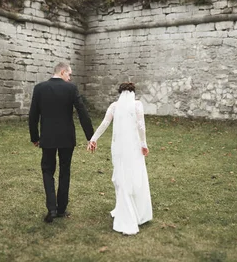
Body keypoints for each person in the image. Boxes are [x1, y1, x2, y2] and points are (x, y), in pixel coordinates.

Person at [29, 62, 94, 223]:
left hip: (48, 137)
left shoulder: (39, 88)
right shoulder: (71, 89)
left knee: (47, 171)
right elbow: (83, 113)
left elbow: (33, 115)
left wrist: (35, 137)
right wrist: (90, 136)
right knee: (65, 171)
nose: (70, 77)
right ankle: (61, 208)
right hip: (67, 137)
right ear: (63, 72)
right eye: (69, 74)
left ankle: (51, 207)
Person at [87, 82, 153, 235]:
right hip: (134, 146)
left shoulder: (114, 106)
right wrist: (144, 143)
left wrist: (93, 138)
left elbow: (104, 123)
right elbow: (141, 126)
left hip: (118, 147)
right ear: (133, 93)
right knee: (135, 174)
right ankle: (137, 212)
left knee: (121, 175)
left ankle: (124, 207)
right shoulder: (137, 105)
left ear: (120, 93)